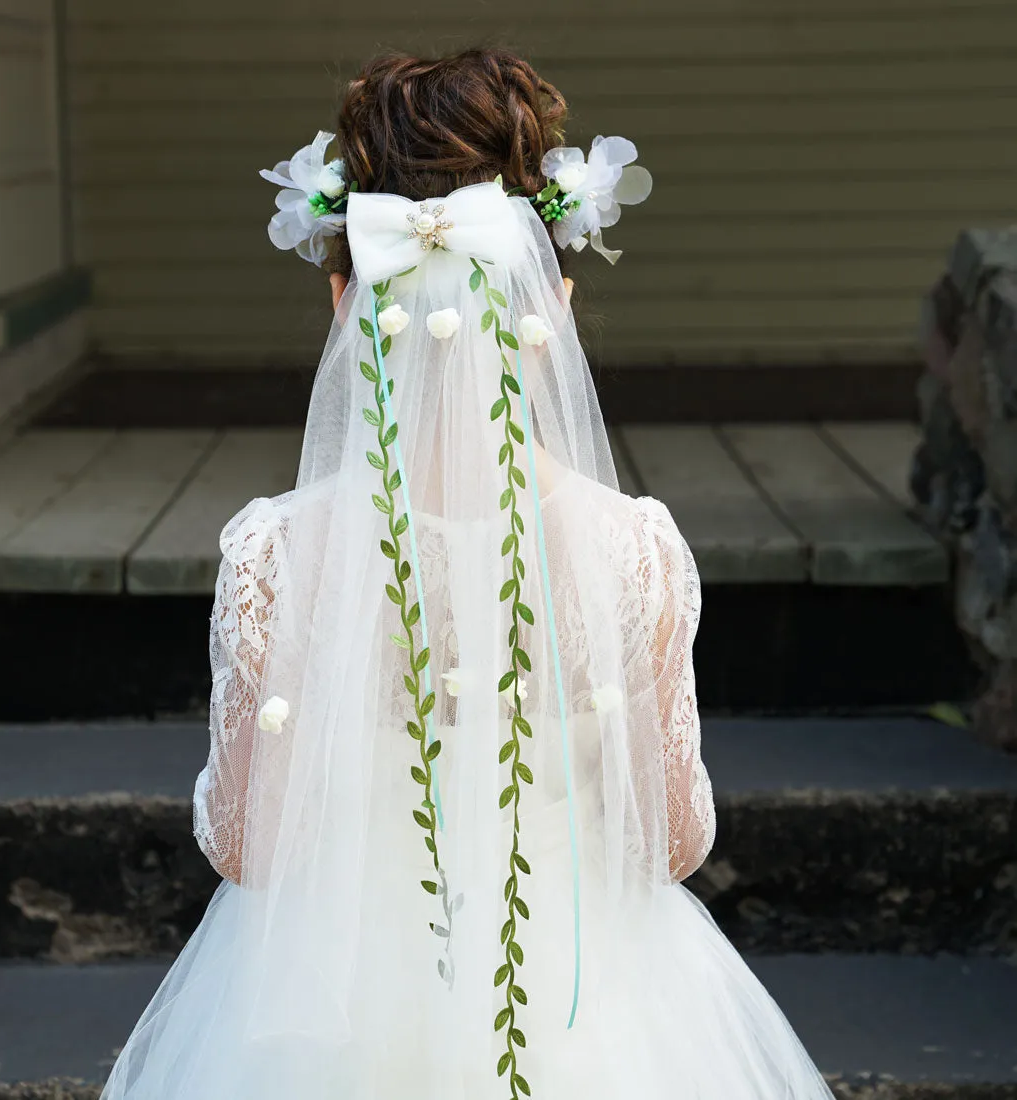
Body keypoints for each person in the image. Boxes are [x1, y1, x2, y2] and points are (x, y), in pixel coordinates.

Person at [101, 48, 833, 1100]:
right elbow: (670, 839)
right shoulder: (632, 550)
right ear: (555, 297)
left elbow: (243, 848)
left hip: (319, 1030)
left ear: (344, 294)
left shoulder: (273, 554)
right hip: (599, 1025)